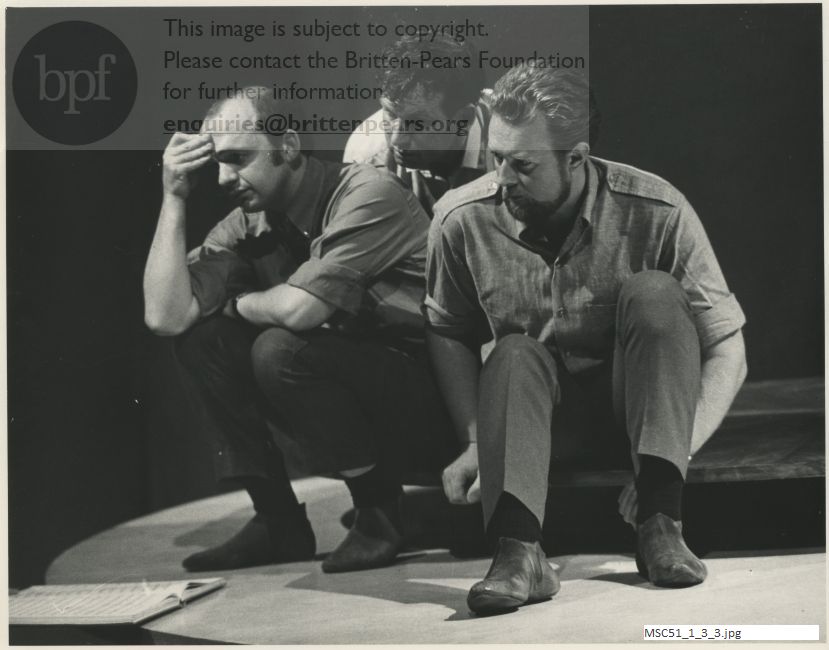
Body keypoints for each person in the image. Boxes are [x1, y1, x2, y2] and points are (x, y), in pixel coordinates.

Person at [424, 65, 747, 614]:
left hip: (639, 413)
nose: (501, 177)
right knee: (512, 351)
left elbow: (728, 350)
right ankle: (517, 553)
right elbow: (447, 331)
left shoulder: (657, 209)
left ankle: (661, 525)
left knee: (655, 294)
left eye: (522, 165)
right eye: (494, 156)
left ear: (576, 157)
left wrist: (679, 446)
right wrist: (477, 440)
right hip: (540, 421)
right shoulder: (460, 219)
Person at [143, 89, 458, 574]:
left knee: (281, 349)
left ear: (287, 145)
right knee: (203, 340)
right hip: (360, 406)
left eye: (238, 159)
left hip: (441, 405)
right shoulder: (248, 223)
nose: (225, 178)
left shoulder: (367, 193)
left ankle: (378, 511)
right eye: (217, 165)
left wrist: (238, 303)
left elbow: (300, 311)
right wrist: (174, 196)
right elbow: (165, 317)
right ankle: (277, 520)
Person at [343, 34, 494, 215]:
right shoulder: (365, 153)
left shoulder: (517, 141)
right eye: (390, 113)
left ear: (464, 120)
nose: (396, 141)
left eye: (417, 123)